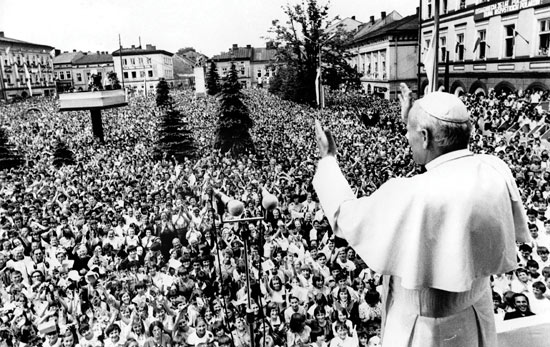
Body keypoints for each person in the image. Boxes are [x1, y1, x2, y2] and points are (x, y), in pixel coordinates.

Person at [313, 84, 530, 347]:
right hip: (475, 320)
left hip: (424, 332)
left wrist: (328, 160)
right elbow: (443, 175)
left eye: (409, 132)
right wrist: (414, 119)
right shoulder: (496, 171)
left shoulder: (408, 194)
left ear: (425, 137)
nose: (406, 138)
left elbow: (344, 216)